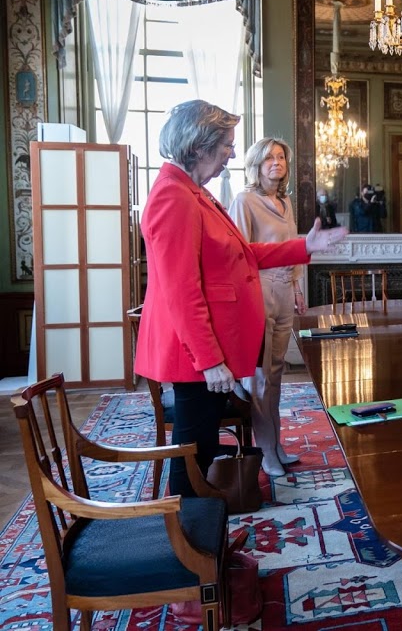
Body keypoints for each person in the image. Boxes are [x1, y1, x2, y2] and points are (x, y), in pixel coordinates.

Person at [135, 100, 349, 497]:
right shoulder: (174, 197)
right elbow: (181, 291)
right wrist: (210, 360)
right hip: (195, 357)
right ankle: (190, 549)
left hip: (205, 352)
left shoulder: (194, 192)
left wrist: (305, 245)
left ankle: (206, 540)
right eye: (227, 145)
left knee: (202, 454)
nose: (233, 154)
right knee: (194, 459)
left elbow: (243, 254)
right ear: (199, 146)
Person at [228, 138, 307, 477]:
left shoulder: (286, 202)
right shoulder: (245, 201)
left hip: (284, 290)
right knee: (259, 377)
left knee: (276, 375)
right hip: (259, 289)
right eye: (269, 158)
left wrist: (297, 286)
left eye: (281, 157)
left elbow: (293, 247)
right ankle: (264, 452)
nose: (277, 162)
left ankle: (276, 443)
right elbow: (239, 255)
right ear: (256, 165)